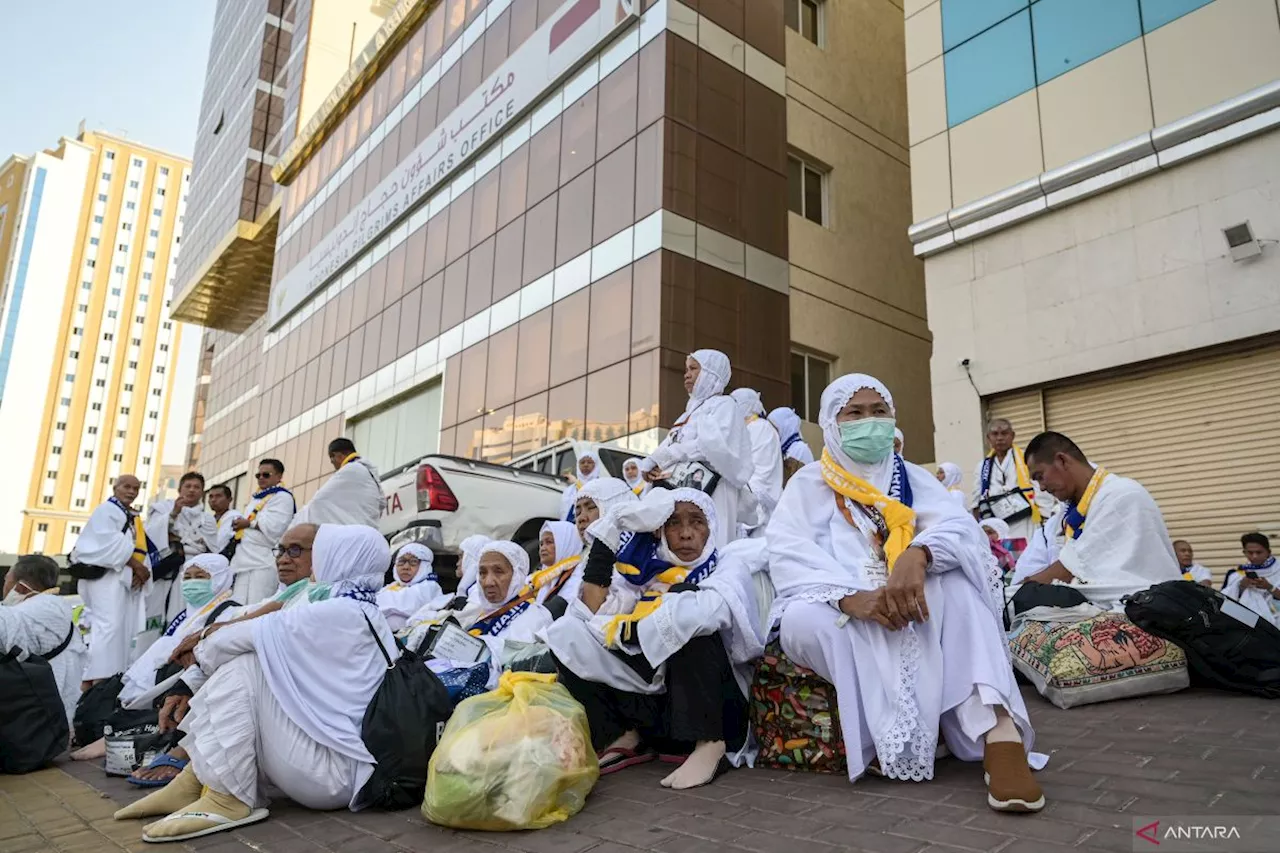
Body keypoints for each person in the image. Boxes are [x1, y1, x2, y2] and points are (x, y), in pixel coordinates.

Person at [768, 374, 1044, 812]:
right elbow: (786, 552)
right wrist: (848, 597)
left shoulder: (912, 478)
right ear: (831, 423)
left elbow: (961, 531)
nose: (869, 422)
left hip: (907, 596)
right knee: (804, 620)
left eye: (879, 412)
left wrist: (918, 554)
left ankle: (1000, 734)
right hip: (841, 604)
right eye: (854, 413)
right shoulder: (809, 484)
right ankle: (892, 735)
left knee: (958, 589)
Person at [114, 525, 397, 842]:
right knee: (253, 658)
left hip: (334, 775)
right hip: (332, 762)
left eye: (319, 553)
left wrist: (200, 645)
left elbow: (238, 638)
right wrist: (205, 648)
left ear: (340, 558)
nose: (313, 561)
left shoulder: (340, 611)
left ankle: (228, 797)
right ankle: (196, 780)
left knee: (248, 662)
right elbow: (252, 626)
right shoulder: (352, 606)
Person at [549, 488, 766, 790]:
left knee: (686, 609)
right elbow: (587, 612)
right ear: (659, 532)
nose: (686, 534)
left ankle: (711, 747)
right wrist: (611, 527)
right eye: (674, 524)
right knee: (566, 633)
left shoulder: (727, 564)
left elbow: (706, 613)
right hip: (662, 715)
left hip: (717, 710)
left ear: (711, 527)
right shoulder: (646, 574)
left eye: (697, 522)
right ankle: (623, 737)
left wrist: (633, 631)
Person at [1020, 432, 1180, 608]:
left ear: (1062, 461)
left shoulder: (1121, 494)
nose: (1041, 487)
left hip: (1150, 610)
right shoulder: (1070, 509)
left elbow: (1073, 566)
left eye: (1040, 476)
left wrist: (1024, 590)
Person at [637, 350, 753, 547]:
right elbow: (671, 445)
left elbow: (711, 447)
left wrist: (666, 456)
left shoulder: (724, 406)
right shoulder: (688, 413)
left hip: (714, 492)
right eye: (686, 369)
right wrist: (654, 466)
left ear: (711, 372)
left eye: (693, 369)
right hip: (681, 494)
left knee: (710, 546)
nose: (686, 374)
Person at [401, 541, 553, 688]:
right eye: (482, 573)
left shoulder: (535, 616)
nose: (488, 582)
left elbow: (528, 671)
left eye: (499, 571)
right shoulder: (481, 615)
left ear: (517, 575)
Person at [72, 475, 153, 687]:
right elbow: (105, 543)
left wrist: (138, 570)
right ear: (115, 487)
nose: (132, 491)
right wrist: (137, 566)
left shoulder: (128, 514)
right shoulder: (107, 510)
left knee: (118, 628)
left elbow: (135, 545)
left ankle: (108, 678)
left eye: (136, 488)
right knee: (109, 627)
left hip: (120, 579)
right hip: (105, 579)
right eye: (127, 487)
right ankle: (98, 681)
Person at [1, 554, 86, 725]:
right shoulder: (57, 613)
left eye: (6, 580)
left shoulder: (33, 615)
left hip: (31, 726)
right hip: (57, 722)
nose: (4, 587)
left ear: (21, 587)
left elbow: (6, 629)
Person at [145, 472, 214, 625]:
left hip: (195, 571)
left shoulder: (207, 518)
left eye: (197, 487)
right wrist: (174, 513)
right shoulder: (163, 508)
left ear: (202, 492)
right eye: (188, 486)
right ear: (180, 489)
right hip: (167, 567)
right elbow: (151, 534)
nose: (192, 490)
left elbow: (214, 547)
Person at [971, 419, 1056, 543]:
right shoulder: (982, 466)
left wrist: (1045, 518)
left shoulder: (1026, 458)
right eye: (995, 434)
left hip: (1025, 520)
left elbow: (1039, 488)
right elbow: (976, 500)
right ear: (988, 438)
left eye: (1004, 433)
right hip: (996, 525)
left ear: (1012, 436)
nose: (1000, 438)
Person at [228, 460, 296, 606]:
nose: (261, 478)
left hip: (263, 562)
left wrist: (249, 523)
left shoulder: (283, 497)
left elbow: (276, 528)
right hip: (243, 560)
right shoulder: (256, 499)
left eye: (266, 475)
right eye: (258, 475)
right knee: (237, 606)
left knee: (257, 606)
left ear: (279, 476)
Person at [293, 439, 385, 528]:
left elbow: (320, 499)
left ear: (338, 456)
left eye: (331, 458)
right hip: (370, 529)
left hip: (356, 531)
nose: (331, 462)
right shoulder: (367, 472)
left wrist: (297, 522)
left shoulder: (351, 470)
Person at [730, 388, 784, 537]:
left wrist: (746, 507)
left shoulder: (761, 428)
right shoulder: (743, 430)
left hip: (759, 513)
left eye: (735, 404)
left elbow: (761, 474)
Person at [375, 543, 443, 631]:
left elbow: (401, 604)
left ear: (424, 566)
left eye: (413, 562)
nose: (406, 567)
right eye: (401, 562)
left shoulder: (429, 587)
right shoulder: (391, 586)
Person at [1222, 533, 1280, 627]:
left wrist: (1269, 587)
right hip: (1249, 626)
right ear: (1244, 552)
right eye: (1250, 553)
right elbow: (1226, 602)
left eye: (1259, 552)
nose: (1254, 556)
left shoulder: (1278, 570)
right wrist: (1241, 586)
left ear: (1268, 552)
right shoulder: (1237, 574)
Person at [526, 520, 583, 606]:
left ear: (566, 544)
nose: (543, 548)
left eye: (549, 542)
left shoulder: (579, 575)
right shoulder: (536, 578)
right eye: (541, 544)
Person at [560, 450, 603, 521]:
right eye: (582, 462)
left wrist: (577, 482)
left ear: (595, 465)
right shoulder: (570, 490)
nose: (585, 465)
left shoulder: (600, 485)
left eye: (589, 462)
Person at [204, 485, 243, 556]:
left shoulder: (235, 517)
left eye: (218, 496)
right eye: (211, 496)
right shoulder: (207, 519)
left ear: (230, 499)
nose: (213, 500)